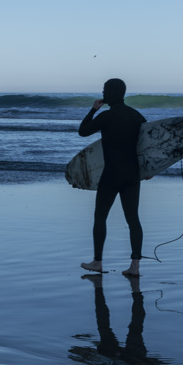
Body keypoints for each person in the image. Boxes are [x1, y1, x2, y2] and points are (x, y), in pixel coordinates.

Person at [78, 78, 146, 276]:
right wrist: (149, 170)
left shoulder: (107, 116)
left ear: (112, 93)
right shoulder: (136, 115)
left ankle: (97, 262)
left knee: (100, 217)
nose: (103, 93)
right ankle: (135, 266)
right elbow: (147, 144)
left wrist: (93, 110)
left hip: (112, 174)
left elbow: (83, 131)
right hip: (133, 174)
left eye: (105, 90)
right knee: (133, 219)